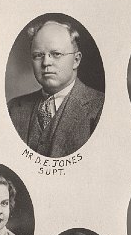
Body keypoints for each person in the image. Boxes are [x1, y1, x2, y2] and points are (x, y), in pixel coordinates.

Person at [7, 19, 104, 157]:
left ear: (76, 60)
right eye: (38, 55)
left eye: (56, 54)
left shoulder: (100, 107)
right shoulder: (13, 108)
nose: (46, 62)